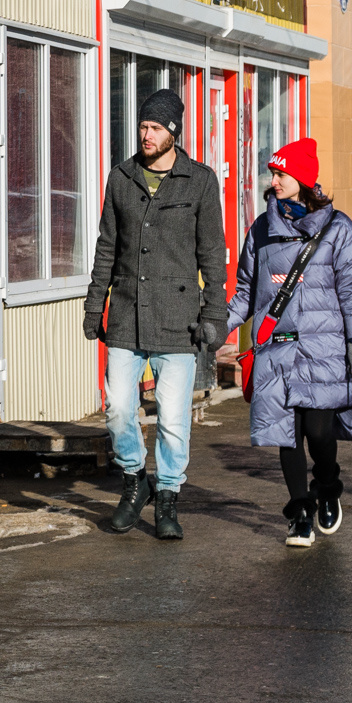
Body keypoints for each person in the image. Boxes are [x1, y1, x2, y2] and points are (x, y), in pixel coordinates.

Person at [84, 88, 228, 540]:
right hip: (126, 314)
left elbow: (212, 252)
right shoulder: (122, 177)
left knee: (171, 418)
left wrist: (215, 312)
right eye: (143, 126)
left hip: (177, 318)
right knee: (119, 411)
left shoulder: (200, 181)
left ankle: (167, 497)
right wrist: (95, 304)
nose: (146, 135)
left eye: (156, 128)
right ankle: (134, 482)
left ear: (174, 133)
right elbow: (107, 245)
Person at [226, 138, 352, 548]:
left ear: (302, 178)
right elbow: (245, 291)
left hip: (324, 349)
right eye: (272, 174)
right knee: (284, 433)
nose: (273, 182)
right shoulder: (262, 229)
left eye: (280, 174)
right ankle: (300, 512)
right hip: (276, 349)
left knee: (319, 432)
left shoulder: (338, 229)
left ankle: (327, 486)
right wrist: (217, 325)